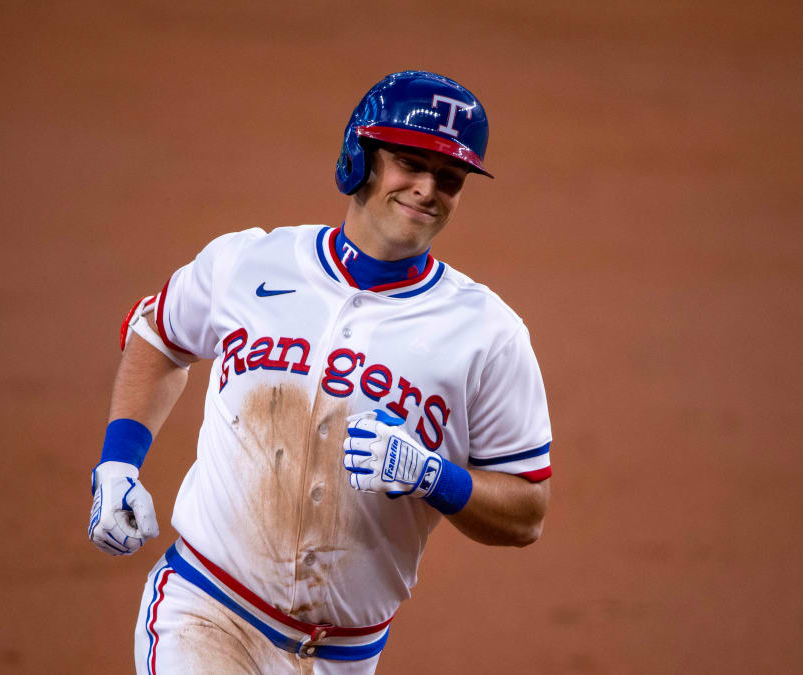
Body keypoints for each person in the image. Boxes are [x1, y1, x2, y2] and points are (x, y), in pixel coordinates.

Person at [87, 70, 553, 675]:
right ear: (357, 158)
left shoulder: (489, 334)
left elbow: (527, 511)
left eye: (449, 178)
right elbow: (158, 335)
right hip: (205, 613)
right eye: (408, 163)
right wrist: (119, 461)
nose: (426, 189)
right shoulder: (248, 262)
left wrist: (434, 476)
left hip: (343, 657)